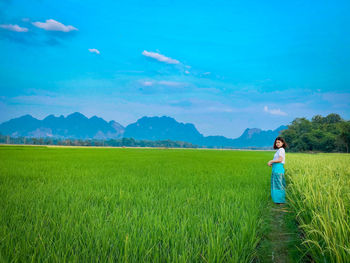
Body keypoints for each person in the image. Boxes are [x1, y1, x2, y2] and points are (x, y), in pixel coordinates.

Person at [267, 137, 287, 204]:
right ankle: (278, 200)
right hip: (276, 168)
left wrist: (271, 161)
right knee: (277, 184)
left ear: (282, 143)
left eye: (279, 142)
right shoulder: (279, 150)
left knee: (278, 184)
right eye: (276, 142)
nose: (277, 144)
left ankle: (280, 200)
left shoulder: (281, 149)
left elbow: (280, 160)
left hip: (278, 169)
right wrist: (272, 163)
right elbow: (278, 161)